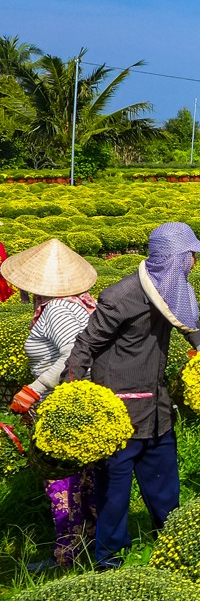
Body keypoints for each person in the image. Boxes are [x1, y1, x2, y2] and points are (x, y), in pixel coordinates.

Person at [64, 223, 200, 570]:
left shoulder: (174, 288)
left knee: (164, 485)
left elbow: (186, 319)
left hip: (157, 406)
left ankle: (173, 546)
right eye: (189, 255)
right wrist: (72, 396)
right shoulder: (122, 296)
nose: (194, 261)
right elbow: (86, 344)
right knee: (114, 493)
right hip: (120, 410)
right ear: (172, 258)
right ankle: (109, 559)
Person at [3, 239, 98, 568]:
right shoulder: (68, 303)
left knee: (62, 481)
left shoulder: (58, 309)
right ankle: (88, 546)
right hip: (74, 405)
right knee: (83, 480)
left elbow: (75, 354)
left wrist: (35, 388)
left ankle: (68, 556)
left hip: (64, 409)